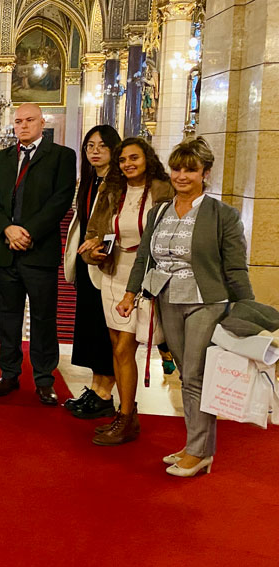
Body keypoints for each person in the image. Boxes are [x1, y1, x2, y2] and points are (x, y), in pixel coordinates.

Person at [118, 138, 253, 477]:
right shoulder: (159, 211)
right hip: (165, 298)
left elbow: (236, 267)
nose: (181, 176)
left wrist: (246, 308)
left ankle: (200, 451)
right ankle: (195, 443)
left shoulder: (223, 215)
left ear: (205, 173)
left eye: (190, 170)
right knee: (185, 373)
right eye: (176, 168)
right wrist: (130, 294)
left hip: (206, 302)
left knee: (195, 375)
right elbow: (145, 258)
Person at [0, 102, 76, 404]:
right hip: (5, 251)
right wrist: (7, 230)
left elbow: (61, 199)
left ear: (42, 123)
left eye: (29, 120)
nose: (23, 126)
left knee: (43, 318)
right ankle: (9, 373)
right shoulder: (0, 159)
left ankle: (44, 379)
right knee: (7, 318)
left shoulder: (61, 156)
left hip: (39, 251)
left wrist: (28, 232)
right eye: (18, 121)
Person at [80, 137, 172, 445]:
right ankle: (126, 415)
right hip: (113, 271)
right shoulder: (111, 189)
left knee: (124, 349)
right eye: (122, 160)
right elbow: (94, 231)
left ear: (147, 159)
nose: (128, 164)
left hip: (143, 276)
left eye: (134, 158)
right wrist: (92, 250)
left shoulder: (163, 190)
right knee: (116, 345)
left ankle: (126, 415)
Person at [63, 125, 121, 420]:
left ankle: (105, 394)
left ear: (114, 149)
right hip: (87, 263)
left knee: (104, 329)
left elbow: (119, 222)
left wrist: (102, 245)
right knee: (90, 326)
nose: (95, 151)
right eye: (90, 146)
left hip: (108, 264)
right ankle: (96, 388)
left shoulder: (119, 183)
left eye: (102, 146)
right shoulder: (90, 180)